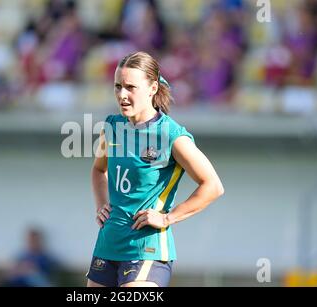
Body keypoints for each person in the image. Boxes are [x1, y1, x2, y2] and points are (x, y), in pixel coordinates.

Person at [86, 51, 224, 287]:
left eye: (131, 87)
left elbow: (212, 186)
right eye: (118, 86)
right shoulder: (112, 127)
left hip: (146, 249)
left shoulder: (171, 135)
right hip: (108, 244)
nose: (122, 94)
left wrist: (168, 217)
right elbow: (99, 170)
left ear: (152, 88)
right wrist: (101, 204)